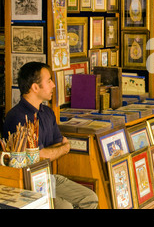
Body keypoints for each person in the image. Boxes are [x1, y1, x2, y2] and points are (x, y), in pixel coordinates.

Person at [3, 62, 98, 209]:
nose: (53, 85)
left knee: (89, 198)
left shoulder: (47, 112)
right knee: (65, 206)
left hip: (47, 177)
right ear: (35, 87)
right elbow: (39, 156)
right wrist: (61, 149)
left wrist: (51, 151)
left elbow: (52, 148)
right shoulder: (18, 117)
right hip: (25, 184)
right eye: (49, 81)